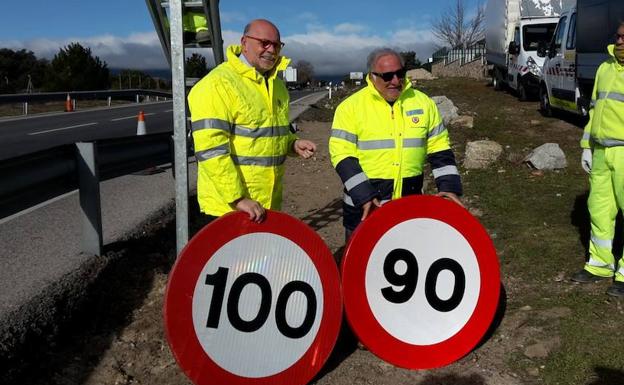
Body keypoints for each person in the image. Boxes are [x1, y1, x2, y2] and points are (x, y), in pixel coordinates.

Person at [188, 19, 316, 223]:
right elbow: (211, 149)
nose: (271, 50)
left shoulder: (277, 86)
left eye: (276, 45)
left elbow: (269, 133)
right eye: (264, 43)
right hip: (229, 208)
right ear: (244, 42)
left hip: (267, 203)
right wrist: (238, 198)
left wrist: (292, 143)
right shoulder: (217, 84)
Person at [329, 47, 462, 240]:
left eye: (400, 74)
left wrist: (449, 185)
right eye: (387, 76)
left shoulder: (424, 104)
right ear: (372, 76)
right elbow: (341, 153)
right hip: (364, 208)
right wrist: (363, 195)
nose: (395, 81)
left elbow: (439, 147)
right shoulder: (350, 108)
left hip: (410, 208)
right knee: (359, 266)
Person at [571, 23, 624, 297]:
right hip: (602, 151)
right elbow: (594, 110)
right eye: (618, 36)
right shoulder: (604, 68)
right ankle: (600, 263)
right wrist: (587, 146)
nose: (620, 42)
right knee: (599, 209)